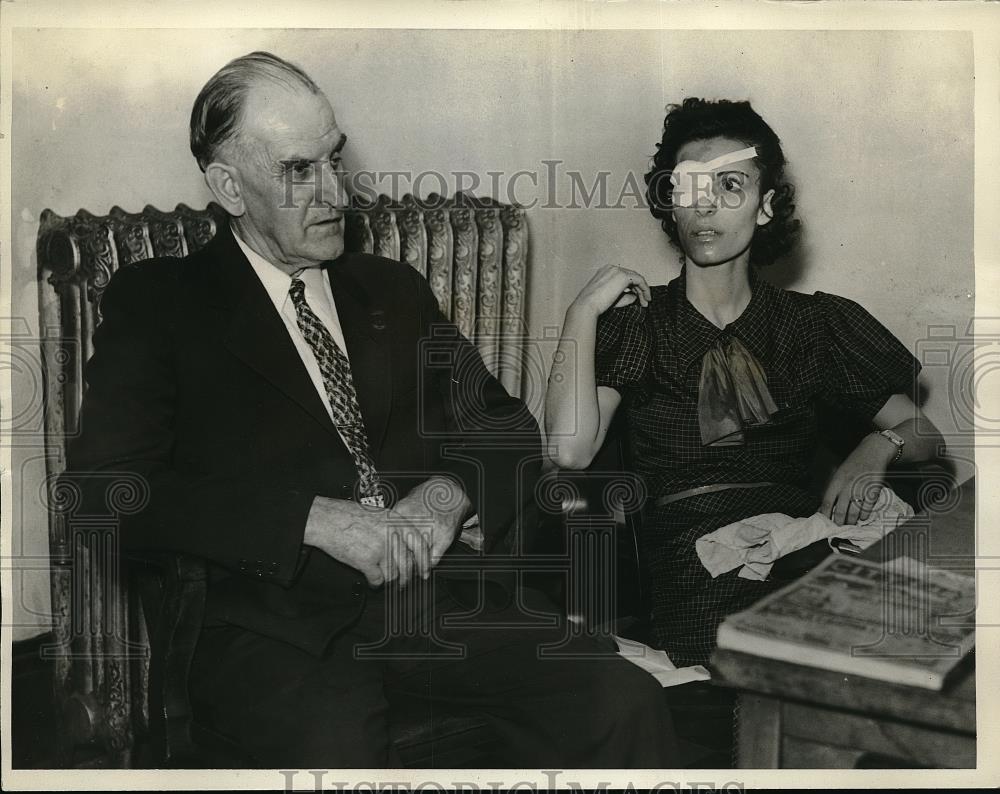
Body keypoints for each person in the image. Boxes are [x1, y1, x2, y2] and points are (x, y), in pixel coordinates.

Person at [67, 52, 678, 767]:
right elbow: (103, 496)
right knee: (339, 757)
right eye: (300, 171)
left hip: (433, 600)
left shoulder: (387, 289)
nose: (335, 193)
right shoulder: (163, 304)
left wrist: (445, 500)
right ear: (229, 186)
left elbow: (504, 424)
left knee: (620, 700)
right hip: (274, 628)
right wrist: (314, 519)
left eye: (335, 159)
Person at [545, 97, 945, 667]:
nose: (705, 206)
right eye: (688, 188)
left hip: (803, 545)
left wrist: (877, 446)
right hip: (697, 569)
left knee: (912, 633)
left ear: (765, 206)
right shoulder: (638, 322)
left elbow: (925, 431)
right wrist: (582, 311)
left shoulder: (812, 324)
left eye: (730, 185)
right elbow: (567, 448)